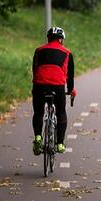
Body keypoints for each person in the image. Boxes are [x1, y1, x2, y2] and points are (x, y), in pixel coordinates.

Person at [32, 27, 76, 155]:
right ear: (61, 39)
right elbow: (70, 76)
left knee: (38, 112)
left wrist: (35, 87)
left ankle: (38, 137)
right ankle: (60, 144)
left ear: (48, 38)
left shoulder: (38, 50)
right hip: (58, 87)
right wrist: (71, 90)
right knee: (61, 112)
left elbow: (35, 70)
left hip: (39, 85)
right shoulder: (67, 53)